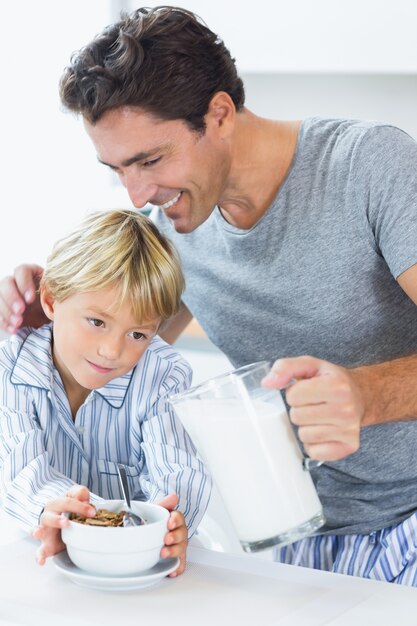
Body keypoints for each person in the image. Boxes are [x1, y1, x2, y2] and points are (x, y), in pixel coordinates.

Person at [1, 6, 417, 584]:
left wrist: (369, 395)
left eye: (150, 159)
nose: (139, 193)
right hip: (305, 529)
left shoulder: (371, 166)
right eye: (118, 168)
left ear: (219, 114)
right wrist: (49, 310)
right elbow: (114, 355)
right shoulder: (177, 223)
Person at [0, 208, 211, 576]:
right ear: (50, 301)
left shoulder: (162, 374)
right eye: (97, 322)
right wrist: (95, 522)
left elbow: (179, 473)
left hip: (142, 563)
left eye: (137, 334)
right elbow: (21, 473)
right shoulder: (12, 366)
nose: (112, 351)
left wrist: (174, 522)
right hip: (45, 557)